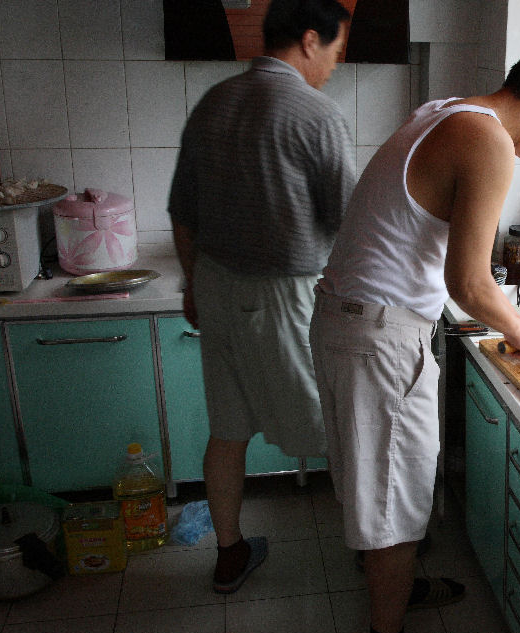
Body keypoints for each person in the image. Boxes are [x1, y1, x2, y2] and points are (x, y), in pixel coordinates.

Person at [312, 43, 520, 633]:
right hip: (379, 337)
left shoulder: (446, 110)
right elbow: (468, 284)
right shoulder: (489, 140)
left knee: (379, 483)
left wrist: (510, 315)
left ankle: (396, 587)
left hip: (352, 322)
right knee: (394, 496)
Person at [168, 0, 356, 594]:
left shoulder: (213, 102)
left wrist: (193, 281)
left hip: (217, 286)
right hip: (285, 296)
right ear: (308, 40)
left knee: (228, 429)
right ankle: (375, 552)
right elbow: (348, 225)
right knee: (338, 429)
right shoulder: (315, 112)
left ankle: (229, 553)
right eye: (335, 50)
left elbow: (182, 212)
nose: (334, 64)